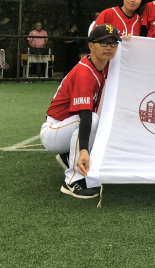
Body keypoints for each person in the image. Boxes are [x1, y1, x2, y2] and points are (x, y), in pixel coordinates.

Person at [40, 24, 122, 199]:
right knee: (92, 119)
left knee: (102, 121)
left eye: (113, 43)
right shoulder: (85, 71)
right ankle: (72, 181)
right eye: (103, 42)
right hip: (54, 130)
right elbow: (85, 115)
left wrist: (130, 40)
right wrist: (84, 150)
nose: (109, 47)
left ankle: (67, 157)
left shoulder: (100, 64)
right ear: (91, 45)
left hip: (66, 126)